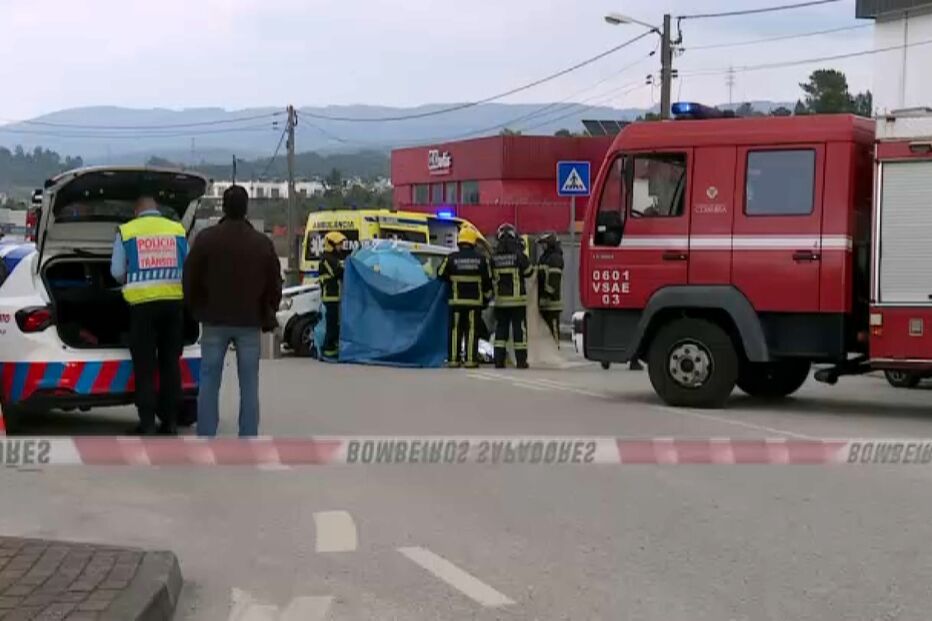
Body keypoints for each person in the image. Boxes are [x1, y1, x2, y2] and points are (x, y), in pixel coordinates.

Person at [182, 186, 282, 437]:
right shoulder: (262, 243)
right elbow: (275, 282)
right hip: (249, 321)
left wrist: (195, 308)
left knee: (209, 380)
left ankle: (206, 433)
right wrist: (269, 309)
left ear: (223, 208)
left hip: (213, 320)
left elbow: (189, 278)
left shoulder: (206, 239)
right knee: (249, 383)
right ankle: (248, 435)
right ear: (246, 208)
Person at [111, 195, 187, 435]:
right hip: (173, 305)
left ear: (136, 212)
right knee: (170, 364)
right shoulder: (177, 229)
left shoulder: (127, 231)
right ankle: (171, 422)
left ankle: (147, 424)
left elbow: (116, 271)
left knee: (144, 367)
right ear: (157, 210)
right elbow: (187, 265)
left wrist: (131, 279)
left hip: (142, 307)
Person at [438, 227, 493, 368]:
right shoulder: (482, 260)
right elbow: (488, 282)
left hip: (456, 302)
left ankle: (453, 360)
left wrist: (451, 279)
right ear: (473, 242)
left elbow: (440, 273)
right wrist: (486, 299)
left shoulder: (450, 258)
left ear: (459, 241)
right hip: (474, 303)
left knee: (455, 330)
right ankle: (470, 360)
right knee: (472, 331)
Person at [490, 223, 534, 369]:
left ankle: (498, 361)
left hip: (500, 302)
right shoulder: (519, 255)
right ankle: (521, 362)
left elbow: (490, 276)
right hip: (517, 301)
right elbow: (529, 272)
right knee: (519, 331)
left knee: (500, 331)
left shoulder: (494, 257)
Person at [319, 231, 347, 359]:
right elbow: (338, 272)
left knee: (334, 323)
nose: (341, 247)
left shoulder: (333, 258)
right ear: (331, 244)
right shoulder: (327, 259)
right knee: (332, 324)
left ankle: (332, 347)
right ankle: (328, 348)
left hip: (335, 296)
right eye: (339, 244)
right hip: (329, 296)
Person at [536, 232, 564, 345]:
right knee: (544, 333)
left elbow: (553, 283)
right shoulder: (544, 257)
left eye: (544, 244)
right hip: (543, 302)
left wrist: (546, 296)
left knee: (553, 331)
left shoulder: (555, 258)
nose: (542, 246)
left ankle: (555, 351)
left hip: (552, 303)